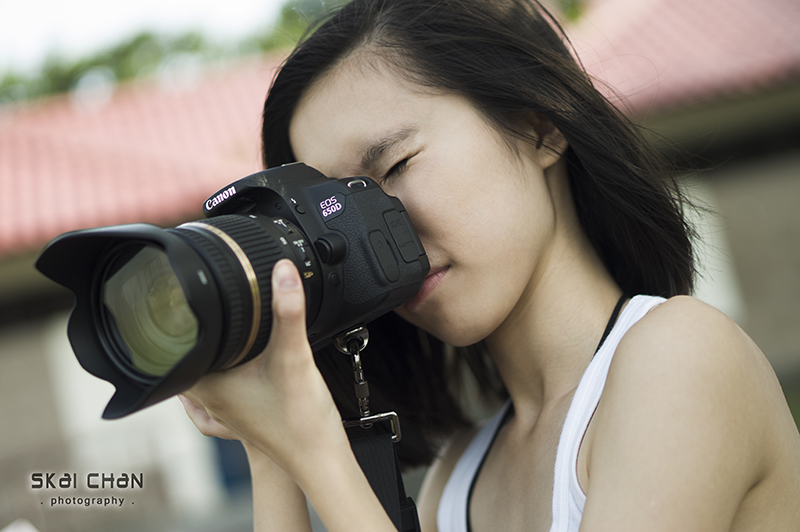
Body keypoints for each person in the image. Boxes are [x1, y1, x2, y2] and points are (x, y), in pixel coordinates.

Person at [177, 0, 800, 530]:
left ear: (538, 126)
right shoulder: (458, 477)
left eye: (394, 168)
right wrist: (269, 445)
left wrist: (314, 447)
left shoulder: (683, 355)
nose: (371, 235)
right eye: (333, 213)